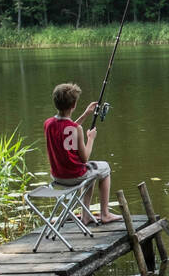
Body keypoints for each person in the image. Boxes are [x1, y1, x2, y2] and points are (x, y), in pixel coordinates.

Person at [44, 82, 120, 225]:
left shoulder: (48, 124)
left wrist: (86, 114)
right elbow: (84, 158)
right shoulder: (75, 129)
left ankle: (86, 216)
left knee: (90, 173)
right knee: (105, 168)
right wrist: (90, 138)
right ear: (73, 105)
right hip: (74, 177)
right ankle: (105, 214)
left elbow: (66, 130)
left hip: (57, 177)